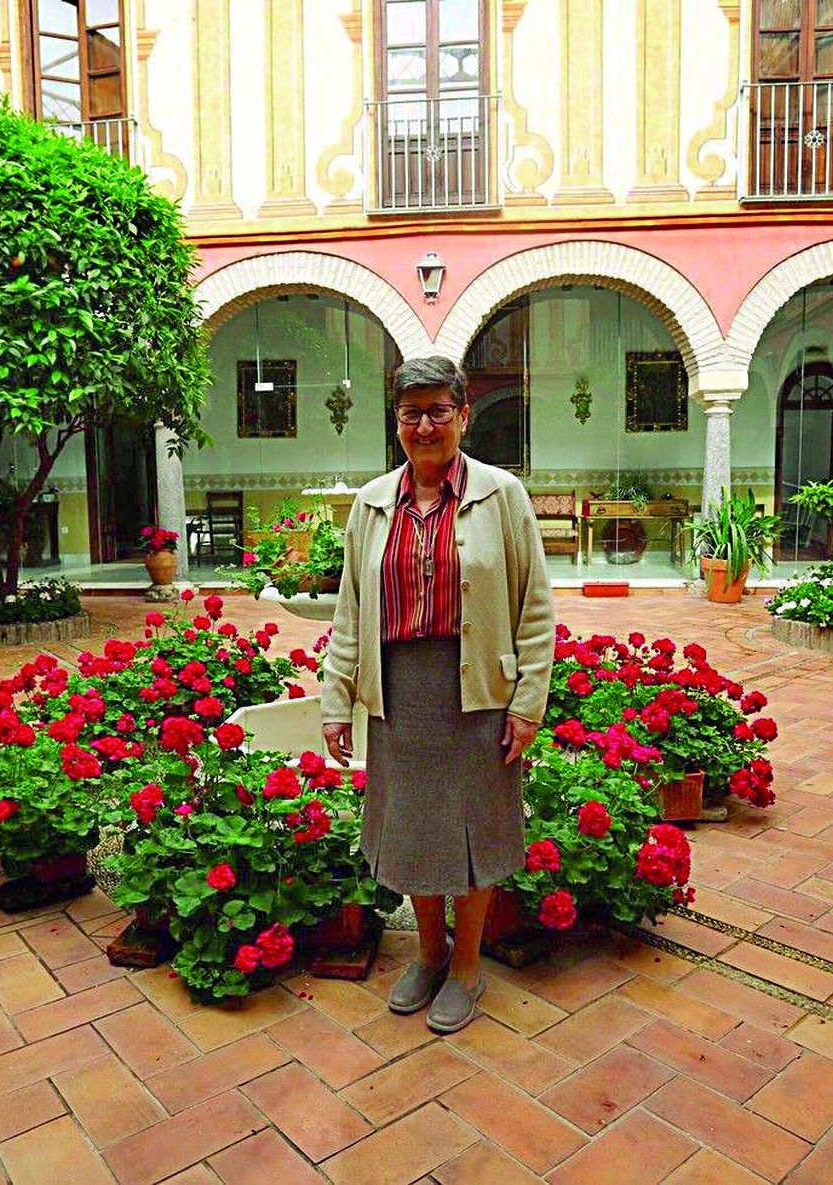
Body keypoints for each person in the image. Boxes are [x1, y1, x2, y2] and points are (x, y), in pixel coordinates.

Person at [321, 356, 554, 1034]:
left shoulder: (502, 494)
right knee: (416, 827)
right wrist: (337, 698)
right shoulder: (371, 504)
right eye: (410, 412)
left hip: (479, 684)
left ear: (463, 417)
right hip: (401, 691)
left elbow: (534, 607)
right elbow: (349, 610)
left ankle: (467, 966)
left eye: (438, 411)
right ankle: (428, 953)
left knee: (477, 828)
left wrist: (527, 702)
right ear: (396, 422)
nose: (424, 425)